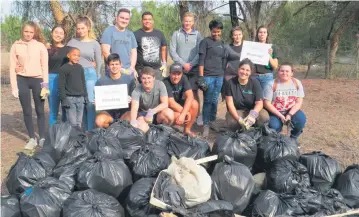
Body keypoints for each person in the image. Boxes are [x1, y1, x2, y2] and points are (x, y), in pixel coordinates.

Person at [10, 21, 49, 150]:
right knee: (27, 111)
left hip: (38, 80)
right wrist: (14, 86)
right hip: (22, 80)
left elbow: (44, 67)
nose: (28, 34)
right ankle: (32, 138)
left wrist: (45, 85)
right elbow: (12, 67)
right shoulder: (16, 46)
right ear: (22, 31)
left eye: (31, 32)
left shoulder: (40, 46)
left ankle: (42, 137)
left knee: (39, 110)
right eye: (26, 31)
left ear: (34, 33)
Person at [198, 20, 241, 137]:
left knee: (215, 100)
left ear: (221, 31)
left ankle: (213, 121)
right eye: (214, 31)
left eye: (218, 32)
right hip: (208, 76)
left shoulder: (222, 44)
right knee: (207, 100)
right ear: (210, 30)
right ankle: (206, 124)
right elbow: (201, 61)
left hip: (219, 76)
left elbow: (224, 61)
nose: (216, 34)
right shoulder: (205, 42)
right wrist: (201, 77)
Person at [67, 16, 102, 131]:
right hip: (75, 75)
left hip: (90, 74)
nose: (80, 31)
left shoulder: (94, 43)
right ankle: (80, 130)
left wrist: (98, 77)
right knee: (79, 103)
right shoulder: (72, 42)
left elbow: (99, 62)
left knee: (90, 104)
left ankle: (90, 131)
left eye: (82, 28)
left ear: (88, 28)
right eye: (78, 28)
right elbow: (65, 57)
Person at [263, 63, 306, 140]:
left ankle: (293, 139)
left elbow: (299, 102)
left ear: (292, 73)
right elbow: (267, 103)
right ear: (278, 72)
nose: (284, 73)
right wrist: (280, 115)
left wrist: (289, 114)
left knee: (301, 120)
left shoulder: (297, 83)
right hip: (275, 111)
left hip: (290, 110)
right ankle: (276, 139)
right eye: (282, 71)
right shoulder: (271, 84)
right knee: (274, 126)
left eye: (287, 71)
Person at [224, 59, 269, 130]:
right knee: (232, 122)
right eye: (242, 69)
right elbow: (230, 104)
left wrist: (252, 115)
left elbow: (259, 103)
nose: (244, 72)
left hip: (252, 110)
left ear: (251, 72)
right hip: (238, 111)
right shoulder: (230, 83)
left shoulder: (255, 83)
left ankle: (254, 129)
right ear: (238, 69)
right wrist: (239, 119)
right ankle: (241, 129)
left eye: (247, 70)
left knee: (264, 116)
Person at [169, 12, 203, 107]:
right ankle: (183, 113)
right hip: (180, 68)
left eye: (189, 21)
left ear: (193, 22)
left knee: (194, 92)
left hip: (194, 68)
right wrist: (183, 64)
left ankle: (197, 116)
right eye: (186, 21)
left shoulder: (197, 35)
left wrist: (191, 64)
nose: (187, 23)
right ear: (182, 21)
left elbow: (200, 52)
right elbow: (172, 51)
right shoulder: (176, 34)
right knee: (182, 92)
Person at [94, 53, 136, 128]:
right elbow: (98, 100)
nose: (114, 66)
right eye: (112, 64)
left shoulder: (129, 80)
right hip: (108, 113)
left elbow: (136, 99)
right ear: (108, 66)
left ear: (121, 65)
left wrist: (130, 99)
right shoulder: (101, 81)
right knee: (99, 121)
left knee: (131, 117)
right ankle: (107, 135)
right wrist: (97, 102)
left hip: (124, 112)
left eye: (116, 64)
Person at [130, 67, 174, 132]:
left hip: (157, 112)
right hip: (143, 114)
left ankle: (163, 133)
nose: (146, 81)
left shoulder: (160, 84)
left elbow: (165, 104)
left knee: (169, 114)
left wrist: (152, 111)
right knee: (141, 129)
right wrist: (133, 121)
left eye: (149, 78)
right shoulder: (137, 90)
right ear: (141, 79)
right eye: (144, 78)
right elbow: (134, 107)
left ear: (154, 78)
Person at [163, 63, 199, 136]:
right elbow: (171, 103)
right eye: (174, 74)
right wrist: (185, 113)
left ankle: (187, 130)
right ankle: (166, 131)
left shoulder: (184, 78)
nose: (176, 77)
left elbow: (190, 96)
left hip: (178, 105)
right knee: (174, 115)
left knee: (194, 104)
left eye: (178, 74)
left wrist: (184, 113)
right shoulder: (165, 82)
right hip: (168, 108)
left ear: (182, 74)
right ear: (170, 74)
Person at [100, 8, 138, 78]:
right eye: (122, 18)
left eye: (127, 19)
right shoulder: (109, 31)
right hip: (113, 72)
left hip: (128, 72)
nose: (124, 20)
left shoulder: (130, 34)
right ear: (116, 18)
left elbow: (134, 52)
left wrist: (132, 68)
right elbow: (105, 52)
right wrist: (117, 67)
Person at [58, 47, 88, 128]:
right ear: (68, 55)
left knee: (79, 122)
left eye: (78, 56)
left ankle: (78, 139)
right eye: (74, 55)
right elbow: (61, 85)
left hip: (80, 99)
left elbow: (83, 82)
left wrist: (85, 96)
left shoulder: (80, 68)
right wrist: (63, 99)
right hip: (70, 99)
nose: (76, 57)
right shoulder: (63, 69)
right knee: (72, 122)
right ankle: (72, 139)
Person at [47, 25, 71, 126]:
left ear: (64, 36)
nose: (58, 35)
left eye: (61, 33)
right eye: (56, 32)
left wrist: (93, 62)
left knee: (66, 109)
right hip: (51, 79)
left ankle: (65, 135)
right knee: (53, 110)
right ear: (52, 33)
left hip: (66, 80)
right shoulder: (46, 48)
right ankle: (54, 136)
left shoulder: (68, 49)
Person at [134, 12, 167, 80]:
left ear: (153, 21)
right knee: (144, 89)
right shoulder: (135, 34)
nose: (147, 21)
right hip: (142, 70)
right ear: (142, 21)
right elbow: (132, 52)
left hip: (157, 70)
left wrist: (164, 64)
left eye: (149, 19)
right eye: (145, 19)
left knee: (157, 88)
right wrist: (133, 68)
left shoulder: (159, 33)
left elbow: (164, 48)